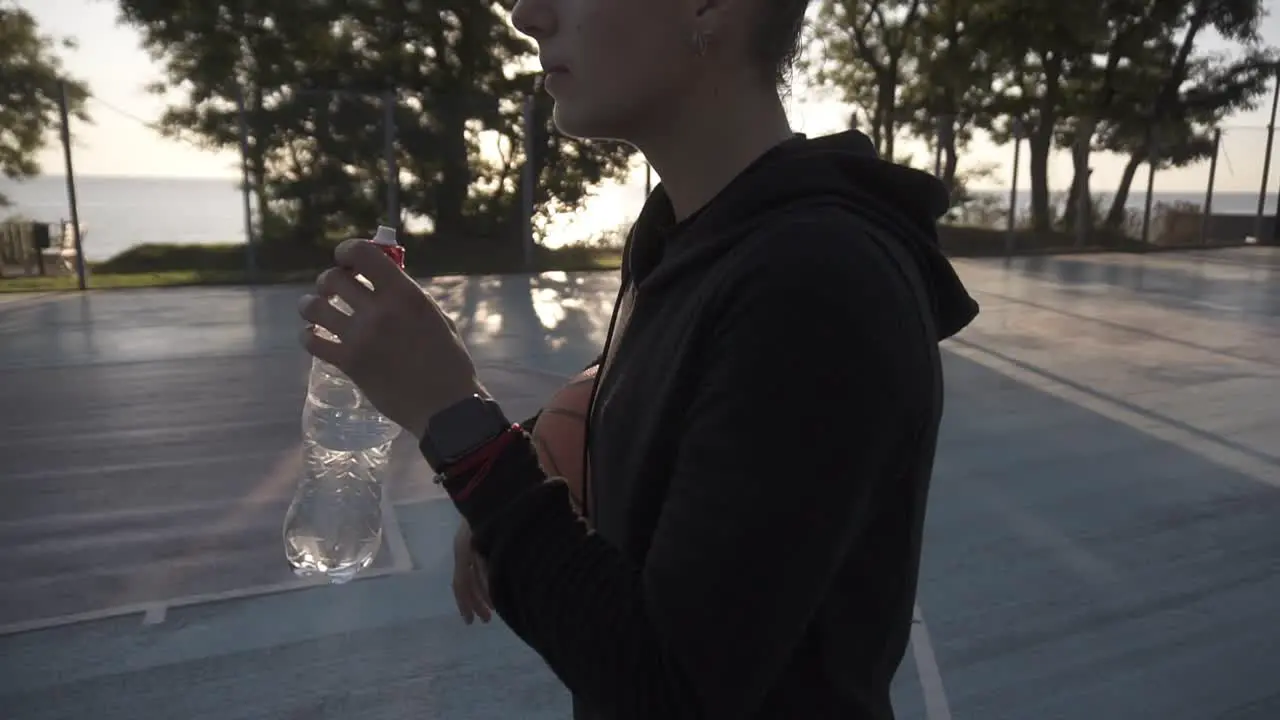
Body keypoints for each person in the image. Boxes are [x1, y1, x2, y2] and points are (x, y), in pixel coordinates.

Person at [297, 0, 979, 717]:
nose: (529, 16)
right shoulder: (690, 237)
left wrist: (460, 428)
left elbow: (666, 689)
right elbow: (696, 388)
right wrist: (529, 456)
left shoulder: (815, 277)